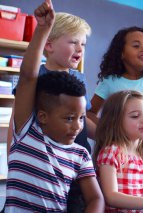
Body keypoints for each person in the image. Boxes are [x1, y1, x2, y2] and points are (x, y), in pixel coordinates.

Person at [4, 1, 105, 212]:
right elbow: (18, 121)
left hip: (71, 164)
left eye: (83, 44)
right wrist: (15, 159)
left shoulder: (78, 79)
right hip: (39, 159)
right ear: (48, 45)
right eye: (73, 42)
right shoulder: (37, 79)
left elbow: (82, 118)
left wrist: (108, 134)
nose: (80, 48)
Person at [87, 0, 143, 139]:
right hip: (121, 147)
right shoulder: (110, 81)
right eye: (136, 46)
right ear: (121, 53)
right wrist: (109, 132)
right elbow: (89, 113)